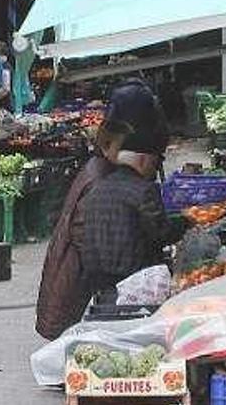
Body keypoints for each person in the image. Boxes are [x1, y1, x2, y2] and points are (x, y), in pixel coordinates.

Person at [80, 80, 183, 298]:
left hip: (99, 284)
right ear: (146, 161)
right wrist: (186, 221)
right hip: (135, 281)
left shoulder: (96, 189)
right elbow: (161, 233)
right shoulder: (143, 191)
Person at [35, 119, 122, 340]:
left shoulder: (97, 169)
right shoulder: (98, 178)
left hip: (73, 260)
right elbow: (82, 230)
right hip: (75, 266)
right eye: (119, 148)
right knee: (70, 327)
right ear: (105, 147)